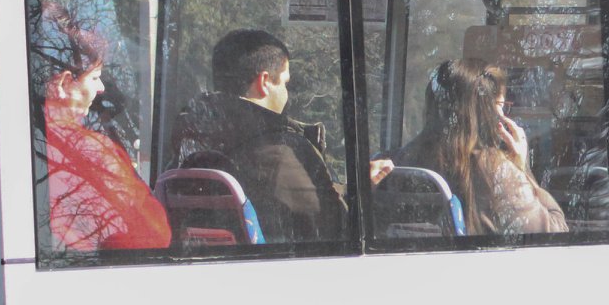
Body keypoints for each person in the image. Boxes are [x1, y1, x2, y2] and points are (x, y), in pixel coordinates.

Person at [177, 29, 372, 244]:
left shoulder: (193, 141)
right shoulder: (281, 150)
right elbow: (333, 229)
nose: (287, 93)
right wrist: (362, 190)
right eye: (285, 83)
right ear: (264, 82)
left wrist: (341, 190)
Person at [32, 4, 170, 252]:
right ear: (64, 83)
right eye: (94, 78)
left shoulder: (27, 138)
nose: (101, 89)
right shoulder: (90, 150)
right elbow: (153, 236)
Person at [392, 61, 567, 237]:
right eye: (501, 105)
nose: (504, 116)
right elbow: (555, 232)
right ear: (486, 112)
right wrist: (523, 170)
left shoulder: (400, 161)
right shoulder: (495, 169)